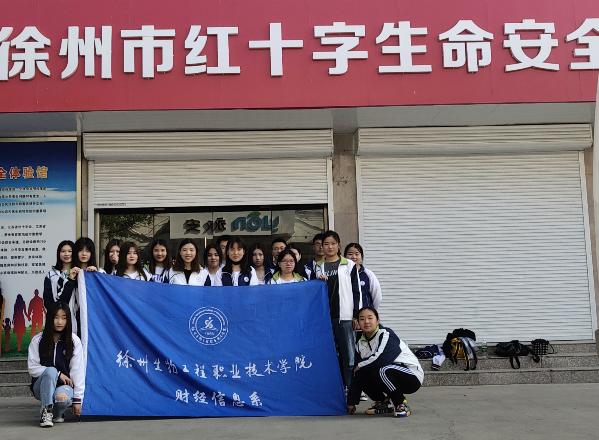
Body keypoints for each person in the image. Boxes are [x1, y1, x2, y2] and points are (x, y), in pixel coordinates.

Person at [347, 307, 423, 418]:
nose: (366, 322)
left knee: (382, 369)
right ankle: (384, 403)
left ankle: (400, 403)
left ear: (377, 321)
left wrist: (360, 365)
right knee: (361, 372)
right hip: (387, 375)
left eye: (370, 318)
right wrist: (351, 402)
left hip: (411, 376)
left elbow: (382, 359)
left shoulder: (386, 334)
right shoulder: (360, 342)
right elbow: (357, 371)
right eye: (362, 319)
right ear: (358, 322)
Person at [315, 230, 362, 389]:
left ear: (339, 245)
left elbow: (356, 291)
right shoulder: (318, 266)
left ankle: (351, 389)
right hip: (325, 318)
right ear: (321, 247)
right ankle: (335, 389)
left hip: (345, 317)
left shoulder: (348, 264)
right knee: (330, 355)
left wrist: (356, 315)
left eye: (333, 244)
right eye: (326, 244)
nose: (330, 247)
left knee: (349, 356)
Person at [28, 302, 84, 427]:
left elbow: (77, 371)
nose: (60, 322)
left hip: (63, 387)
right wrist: (58, 374)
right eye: (56, 317)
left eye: (64, 318)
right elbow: (32, 368)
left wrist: (77, 400)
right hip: (41, 387)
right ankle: (46, 412)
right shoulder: (38, 340)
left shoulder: (74, 341)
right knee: (51, 371)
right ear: (50, 319)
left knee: (62, 398)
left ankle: (58, 413)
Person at [66, 237, 101, 336]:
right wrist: (71, 279)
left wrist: (96, 276)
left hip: (93, 317)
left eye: (87, 251)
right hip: (75, 316)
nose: (84, 253)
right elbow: (64, 298)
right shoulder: (68, 273)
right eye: (81, 250)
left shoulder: (99, 273)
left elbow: (100, 298)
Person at [344, 243, 382, 310]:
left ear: (361, 256)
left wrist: (371, 311)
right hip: (346, 313)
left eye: (357, 254)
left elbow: (377, 296)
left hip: (364, 313)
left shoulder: (368, 274)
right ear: (345, 257)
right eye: (350, 254)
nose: (354, 257)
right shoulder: (342, 274)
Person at [43, 240, 75, 316]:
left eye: (70, 251)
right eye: (63, 251)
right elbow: (47, 301)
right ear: (59, 254)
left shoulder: (79, 273)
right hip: (57, 317)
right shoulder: (51, 275)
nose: (66, 254)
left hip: (77, 317)